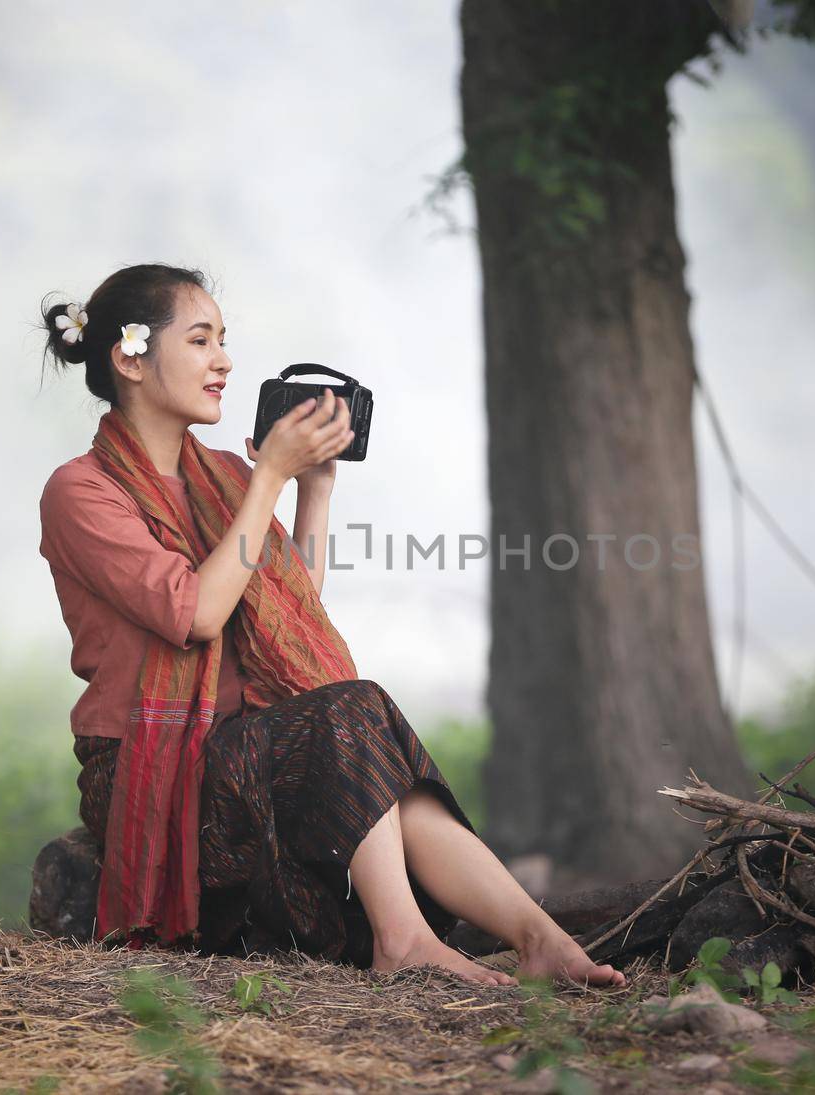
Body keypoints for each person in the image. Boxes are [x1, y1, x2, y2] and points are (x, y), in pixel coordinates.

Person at [35, 262, 625, 989]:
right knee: (350, 711)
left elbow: (287, 611)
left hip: (249, 749)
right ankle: (402, 937)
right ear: (130, 358)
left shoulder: (223, 475)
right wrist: (270, 481)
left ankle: (541, 937)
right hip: (156, 769)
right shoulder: (81, 492)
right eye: (200, 340)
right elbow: (197, 612)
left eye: (224, 339)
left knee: (359, 722)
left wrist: (312, 490)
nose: (224, 360)